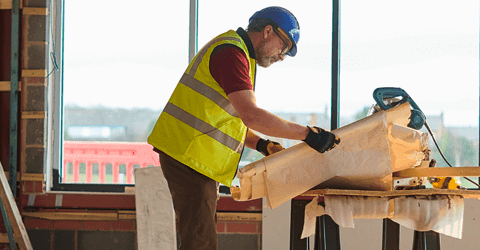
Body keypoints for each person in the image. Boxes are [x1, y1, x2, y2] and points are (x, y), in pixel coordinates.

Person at [146, 6, 341, 249]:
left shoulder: (240, 55)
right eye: (285, 47)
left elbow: (230, 122)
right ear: (268, 31)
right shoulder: (231, 53)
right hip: (190, 157)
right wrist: (307, 134)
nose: (282, 56)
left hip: (193, 155)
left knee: (199, 239)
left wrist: (263, 145)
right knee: (200, 243)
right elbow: (252, 116)